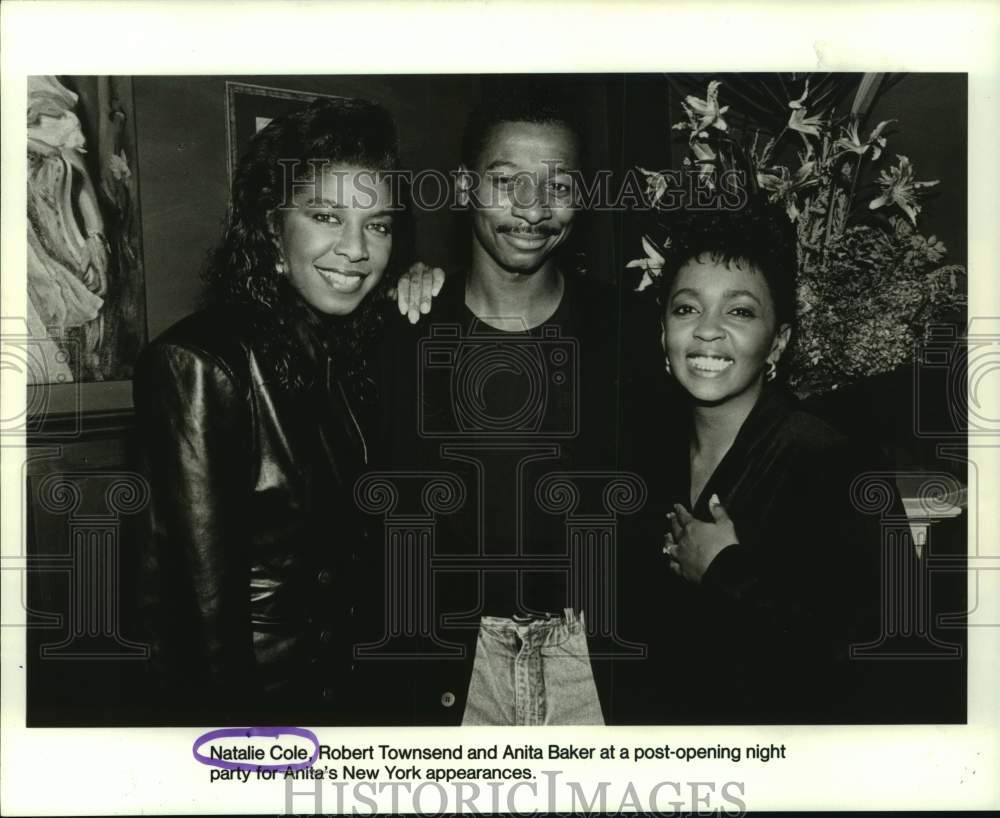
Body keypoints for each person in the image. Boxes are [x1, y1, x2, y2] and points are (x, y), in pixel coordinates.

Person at [133, 97, 441, 725]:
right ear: (272, 229)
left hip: (353, 705)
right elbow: (199, 619)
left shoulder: (352, 350)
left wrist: (436, 285)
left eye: (378, 225)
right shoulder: (201, 363)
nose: (356, 250)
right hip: (265, 716)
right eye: (326, 216)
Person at [377, 82, 668, 725]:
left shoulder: (629, 331)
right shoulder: (405, 328)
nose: (533, 210)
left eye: (559, 186)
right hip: (455, 668)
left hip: (592, 666)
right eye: (506, 182)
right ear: (462, 188)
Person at [628, 201, 909, 723]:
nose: (708, 330)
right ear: (662, 335)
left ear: (777, 342)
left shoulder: (832, 461)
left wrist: (725, 573)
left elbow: (887, 659)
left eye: (739, 311)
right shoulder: (643, 456)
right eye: (686, 308)